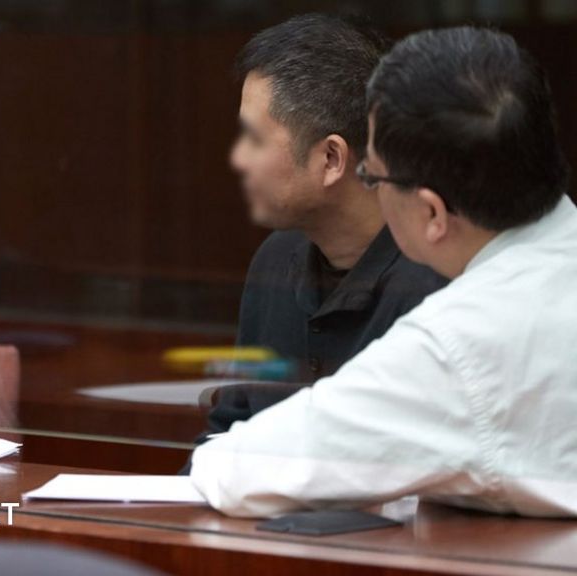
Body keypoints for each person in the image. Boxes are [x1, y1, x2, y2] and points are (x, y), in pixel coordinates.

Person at [191, 26, 577, 518]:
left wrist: (217, 457)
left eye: (372, 175)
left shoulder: (460, 342)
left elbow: (249, 469)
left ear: (432, 214)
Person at [189, 14, 445, 451]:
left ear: (331, 159)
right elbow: (229, 429)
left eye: (254, 139)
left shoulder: (435, 284)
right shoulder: (276, 259)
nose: (238, 159)